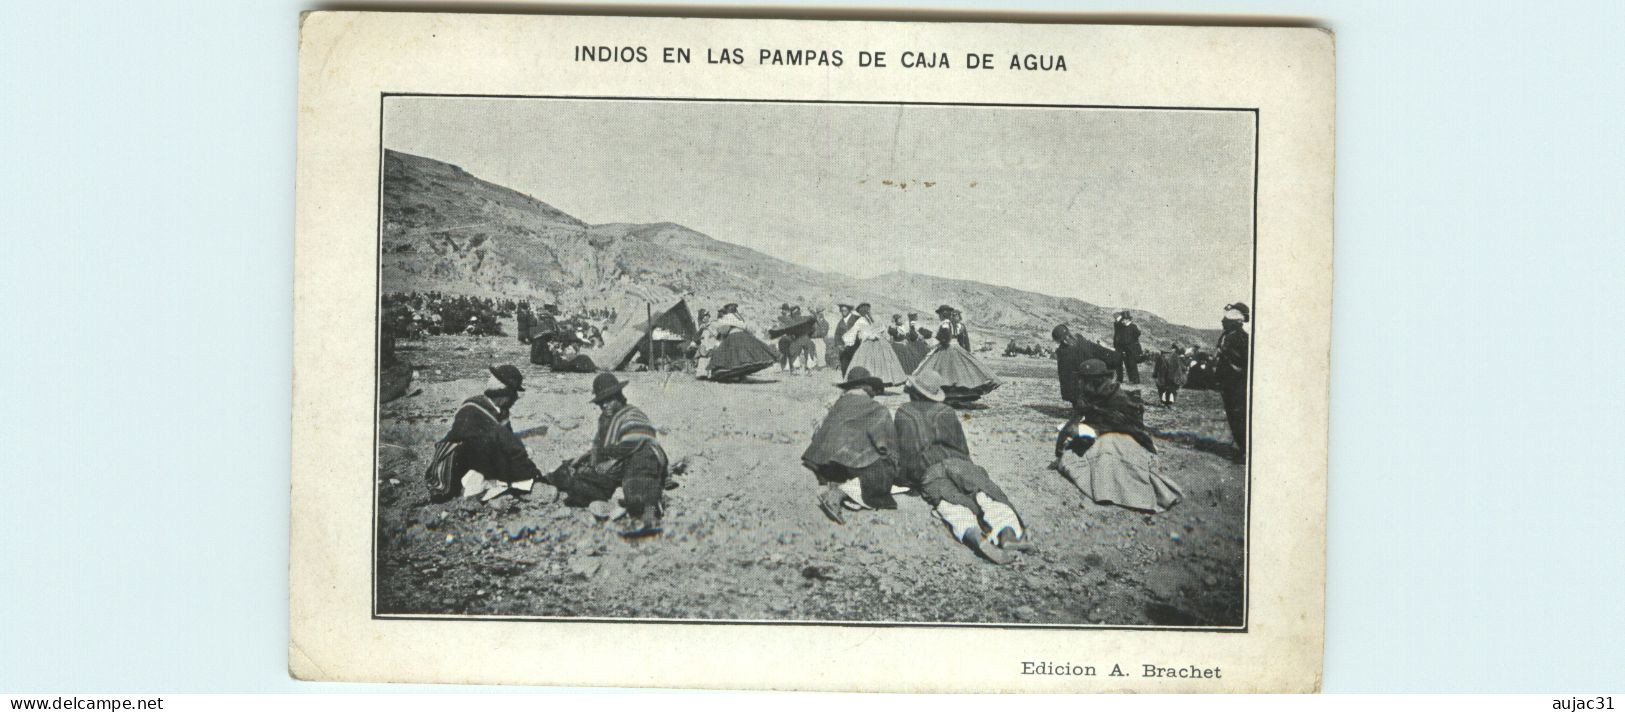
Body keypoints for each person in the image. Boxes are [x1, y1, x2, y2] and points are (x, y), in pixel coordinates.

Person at [895, 369, 1031, 564]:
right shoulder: (947, 412)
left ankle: (976, 536)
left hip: (929, 470)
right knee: (985, 494)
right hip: (958, 463)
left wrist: (907, 481)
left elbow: (906, 454)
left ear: (914, 391)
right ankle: (1007, 532)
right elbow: (962, 449)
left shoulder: (904, 413)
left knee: (949, 504)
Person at [1051, 359, 1182, 512]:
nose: (1080, 383)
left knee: (1109, 451)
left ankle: (1130, 494)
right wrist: (1065, 440)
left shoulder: (1119, 398)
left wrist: (1096, 430)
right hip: (1099, 437)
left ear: (1095, 380)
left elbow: (1134, 428)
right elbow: (1073, 422)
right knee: (1074, 456)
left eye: (1083, 379)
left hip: (1127, 439)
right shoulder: (1087, 394)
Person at [548, 373, 670, 537]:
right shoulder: (605, 420)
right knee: (573, 474)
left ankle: (649, 518)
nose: (605, 405)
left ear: (620, 397)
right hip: (616, 465)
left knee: (640, 482)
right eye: (601, 403)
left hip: (640, 456)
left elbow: (639, 438)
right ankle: (538, 483)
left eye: (610, 400)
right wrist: (590, 459)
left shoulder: (632, 414)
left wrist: (612, 458)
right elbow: (599, 448)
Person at [801, 367, 900, 523]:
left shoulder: (838, 403)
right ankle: (837, 494)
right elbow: (885, 444)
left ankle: (839, 481)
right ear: (866, 387)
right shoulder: (876, 409)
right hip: (848, 460)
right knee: (884, 470)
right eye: (872, 388)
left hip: (823, 462)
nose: (874, 391)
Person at [436, 365, 545, 502]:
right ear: (503, 394)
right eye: (513, 394)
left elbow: (509, 440)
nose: (515, 398)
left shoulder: (500, 411)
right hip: (458, 465)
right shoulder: (472, 409)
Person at [916, 305, 1000, 403]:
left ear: (943, 314)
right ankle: (956, 395)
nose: (939, 316)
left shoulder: (945, 324)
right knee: (957, 372)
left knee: (945, 372)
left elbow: (945, 337)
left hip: (947, 347)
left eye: (939, 314)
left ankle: (947, 395)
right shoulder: (955, 324)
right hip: (956, 347)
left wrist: (930, 335)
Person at [706, 303, 778, 382]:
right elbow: (747, 328)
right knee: (743, 357)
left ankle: (731, 374)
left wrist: (719, 332)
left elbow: (724, 331)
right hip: (744, 336)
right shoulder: (739, 318)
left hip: (733, 336)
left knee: (734, 357)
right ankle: (742, 376)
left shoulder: (727, 318)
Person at [1217, 302, 1250, 462]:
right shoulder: (1225, 336)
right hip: (1227, 383)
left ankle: (1244, 450)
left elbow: (1245, 364)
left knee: (1239, 416)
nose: (1223, 322)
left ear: (1237, 321)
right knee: (1232, 416)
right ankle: (1240, 447)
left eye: (1227, 320)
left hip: (1238, 384)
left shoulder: (1242, 338)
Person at [1051, 324, 1116, 404]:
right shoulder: (1082, 343)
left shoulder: (1064, 353)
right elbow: (1101, 351)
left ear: (1063, 340)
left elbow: (1065, 378)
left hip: (1080, 395)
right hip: (1094, 389)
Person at [847, 304, 908, 385]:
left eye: (867, 310)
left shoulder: (873, 318)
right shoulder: (862, 321)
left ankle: (881, 380)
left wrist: (876, 335)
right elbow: (861, 334)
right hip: (873, 342)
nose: (867, 312)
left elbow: (881, 329)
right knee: (874, 362)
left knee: (877, 361)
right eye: (865, 311)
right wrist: (871, 335)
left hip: (878, 342)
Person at [838, 303, 874, 375]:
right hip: (862, 343)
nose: (869, 311)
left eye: (869, 310)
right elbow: (856, 331)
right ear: (865, 311)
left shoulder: (868, 319)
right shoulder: (861, 320)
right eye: (868, 310)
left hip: (868, 343)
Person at [1152, 343, 1190, 407]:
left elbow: (1157, 368)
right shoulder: (1175, 356)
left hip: (1165, 377)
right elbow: (1179, 367)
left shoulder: (1162, 357)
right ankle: (1168, 402)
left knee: (1163, 389)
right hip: (1170, 377)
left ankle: (1164, 402)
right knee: (1170, 389)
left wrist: (1155, 375)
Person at [1112, 311, 1143, 384]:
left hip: (1132, 349)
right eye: (1122, 320)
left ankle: (1136, 380)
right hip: (1126, 349)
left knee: (1132, 365)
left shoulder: (1133, 326)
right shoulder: (1124, 328)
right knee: (1128, 364)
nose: (1123, 321)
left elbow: (1137, 334)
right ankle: (1131, 380)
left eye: (1124, 320)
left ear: (1128, 320)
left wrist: (1132, 342)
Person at [832, 303, 860, 373]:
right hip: (844, 348)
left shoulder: (856, 319)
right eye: (842, 310)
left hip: (856, 347)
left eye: (845, 310)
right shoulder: (840, 322)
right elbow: (837, 335)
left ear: (849, 310)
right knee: (844, 368)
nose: (843, 312)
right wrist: (839, 345)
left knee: (856, 366)